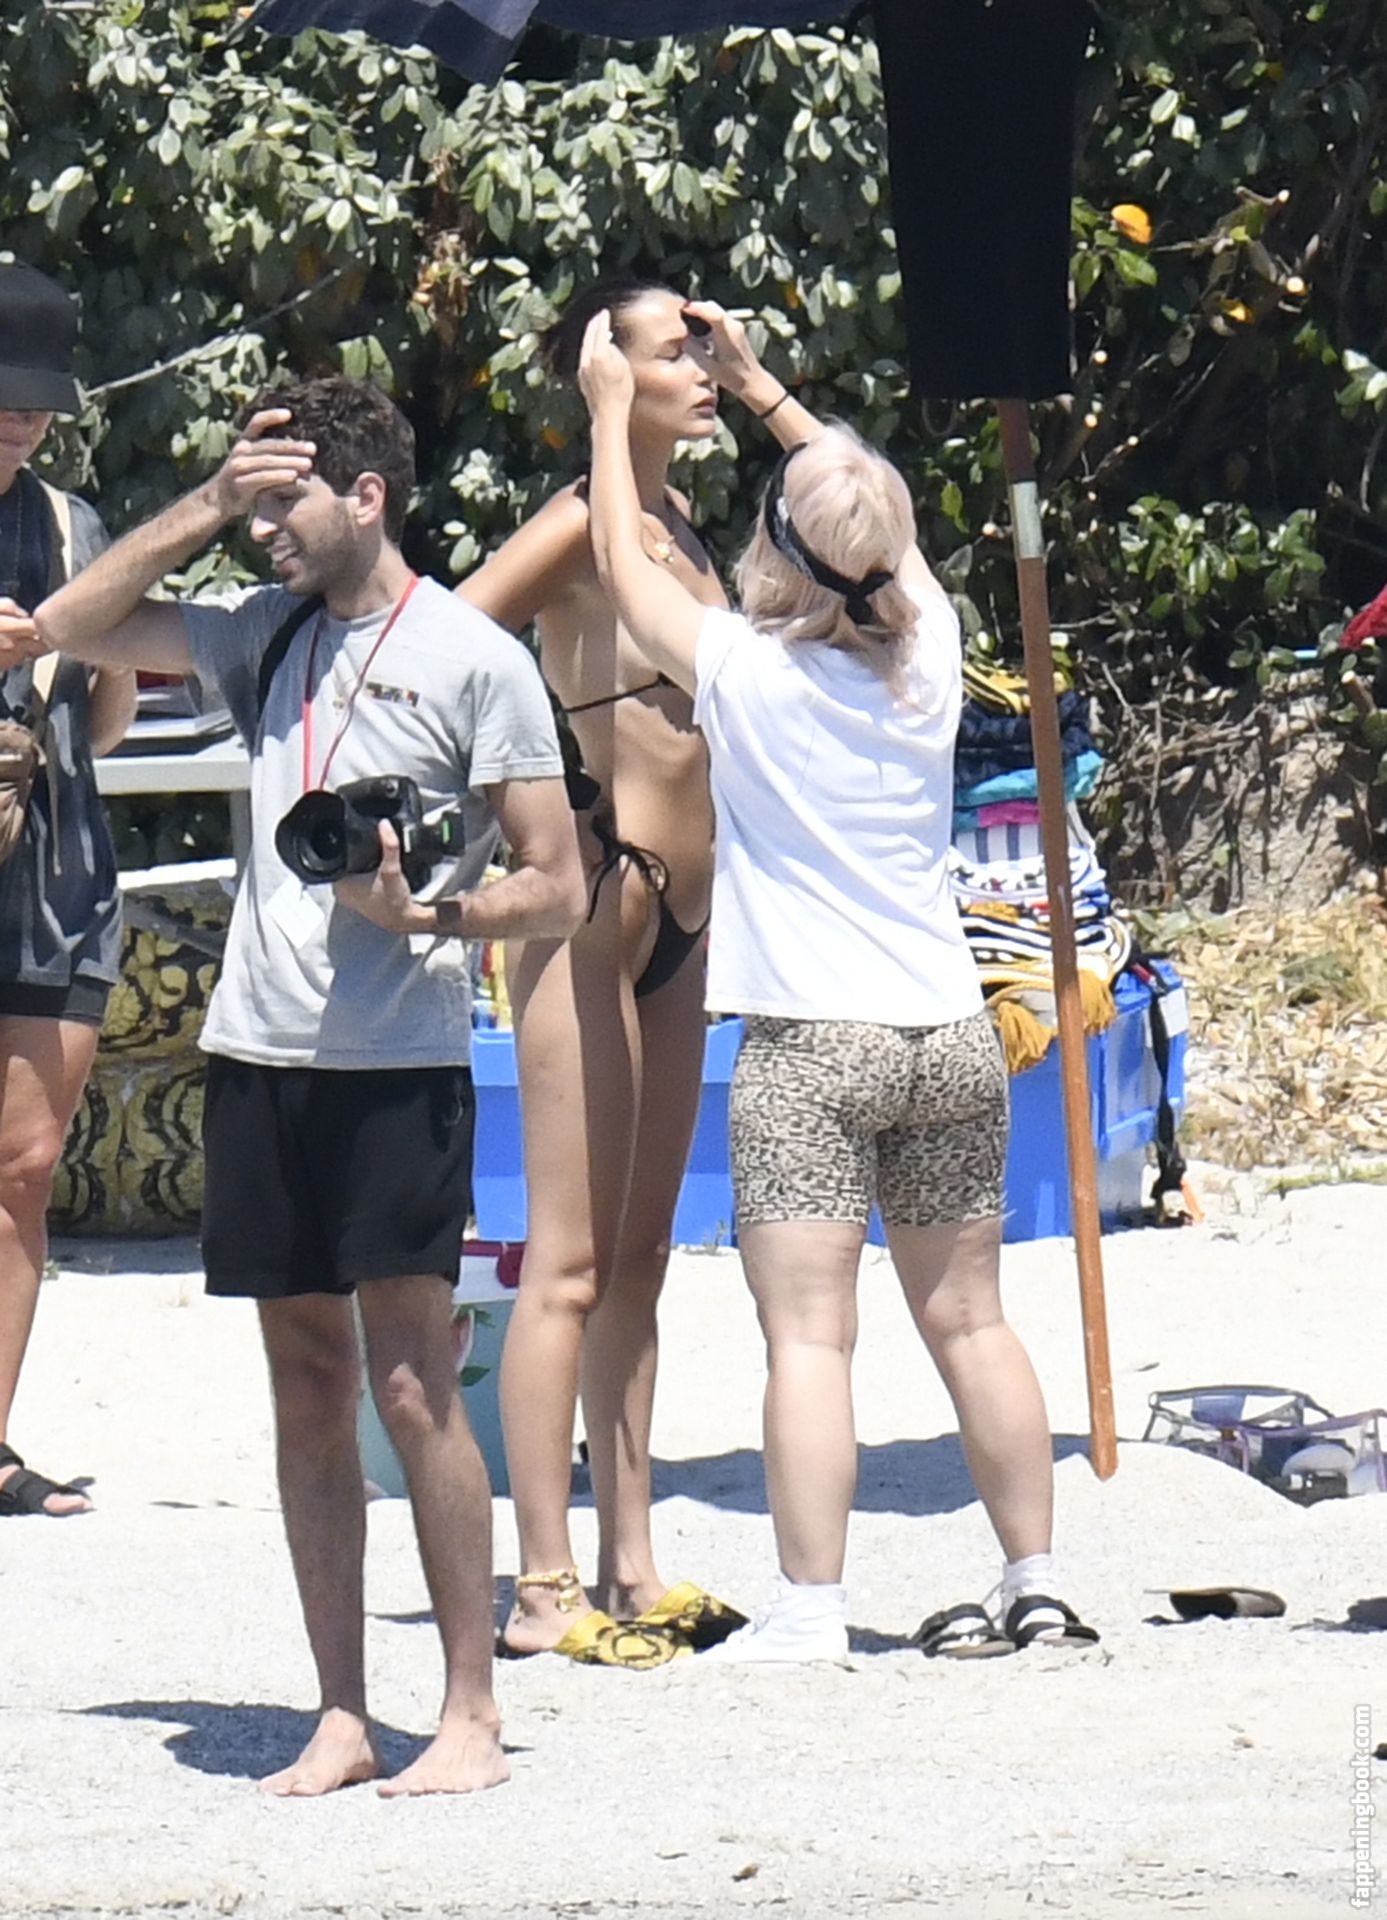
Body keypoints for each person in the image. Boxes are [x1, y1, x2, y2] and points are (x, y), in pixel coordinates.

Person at [28, 378, 585, 1792]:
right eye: (255, 505)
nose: (264, 531)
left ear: (368, 497)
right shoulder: (259, 630)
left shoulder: (473, 659)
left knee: (411, 1382)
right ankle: (340, 1711)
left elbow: (559, 883)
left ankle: (469, 1715)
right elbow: (70, 624)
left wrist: (430, 915)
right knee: (305, 1381)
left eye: (286, 504)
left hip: (395, 1062)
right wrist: (209, 500)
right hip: (256, 1053)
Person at [576, 306, 1101, 1664]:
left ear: (772, 551)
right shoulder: (926, 653)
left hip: (812, 1046)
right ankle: (1033, 1578)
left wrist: (605, 408)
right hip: (947, 1028)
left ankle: (812, 1606)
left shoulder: (741, 670)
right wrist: (768, 394)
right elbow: (880, 541)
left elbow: (619, 563)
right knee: (970, 1320)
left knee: (810, 1340)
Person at [455, 280, 813, 1663]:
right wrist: (533, 794)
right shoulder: (576, 521)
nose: (704, 370)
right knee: (568, 1260)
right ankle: (539, 1587)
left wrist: (748, 375)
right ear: (608, 373)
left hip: (688, 914)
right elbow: (443, 641)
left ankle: (628, 1560)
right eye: (679, 352)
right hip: (593, 905)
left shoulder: (677, 527)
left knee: (644, 1257)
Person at [0, 263, 136, 1520]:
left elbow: (110, 707)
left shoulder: (75, 527)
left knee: (26, 1166)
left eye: (38, 399)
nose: (21, 419)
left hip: (53, 876)